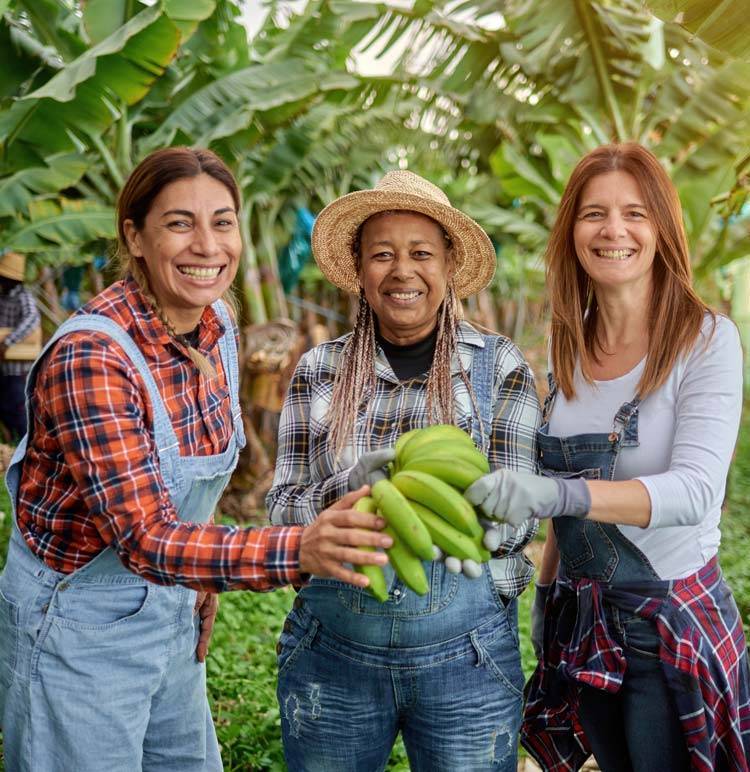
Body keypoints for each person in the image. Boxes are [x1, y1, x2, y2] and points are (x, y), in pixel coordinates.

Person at [0, 147, 393, 772]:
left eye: (223, 221)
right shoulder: (94, 358)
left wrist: (199, 579)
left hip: (171, 604)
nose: (207, 246)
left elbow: (181, 504)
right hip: (80, 625)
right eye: (180, 223)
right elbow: (144, 535)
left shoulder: (218, 324)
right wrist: (299, 549)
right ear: (135, 236)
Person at [465, 142, 750, 770]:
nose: (613, 230)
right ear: (572, 231)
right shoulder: (567, 348)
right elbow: (562, 509)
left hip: (665, 630)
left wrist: (560, 494)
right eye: (594, 213)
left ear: (663, 230)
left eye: (635, 214)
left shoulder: (706, 342)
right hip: (583, 627)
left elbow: (697, 490)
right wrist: (545, 596)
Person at [266, 170, 542, 771]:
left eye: (421, 253)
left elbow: (521, 519)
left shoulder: (498, 368)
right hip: (332, 655)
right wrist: (357, 486)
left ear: (446, 266)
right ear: (360, 272)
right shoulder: (320, 368)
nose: (402, 271)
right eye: (381, 255)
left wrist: (472, 514)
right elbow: (281, 509)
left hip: (468, 659)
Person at [0, 250, 41, 439]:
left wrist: (8, 342)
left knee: (18, 409)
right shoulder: (3, 297)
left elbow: (32, 319)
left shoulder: (23, 298)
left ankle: (26, 446)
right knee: (5, 407)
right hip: (4, 367)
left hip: (18, 368)